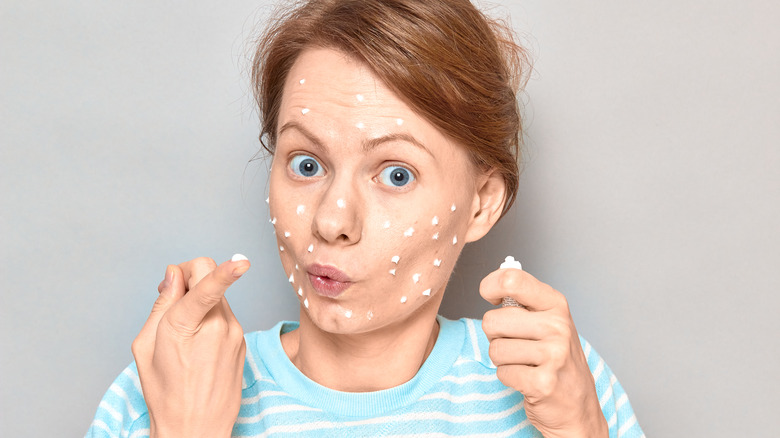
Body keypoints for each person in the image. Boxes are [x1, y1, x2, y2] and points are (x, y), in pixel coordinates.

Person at [87, 0, 644, 436]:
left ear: (481, 203)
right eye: (306, 165)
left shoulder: (555, 383)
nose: (332, 221)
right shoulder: (167, 384)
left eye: (395, 174)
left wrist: (584, 432)